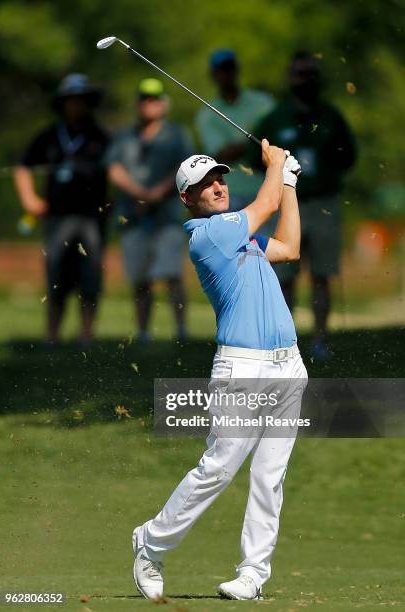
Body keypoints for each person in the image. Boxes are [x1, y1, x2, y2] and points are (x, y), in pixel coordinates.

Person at [132, 141, 308, 600]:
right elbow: (264, 203)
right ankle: (150, 543)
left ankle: (253, 573)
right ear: (187, 198)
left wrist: (287, 182)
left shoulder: (243, 236)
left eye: (219, 178)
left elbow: (289, 247)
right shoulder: (210, 235)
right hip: (242, 367)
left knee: (271, 476)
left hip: (288, 364)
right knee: (219, 467)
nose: (216, 186)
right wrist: (277, 169)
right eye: (203, 184)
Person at [249, 51, 356, 360]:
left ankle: (321, 340)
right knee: (284, 277)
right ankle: (285, 341)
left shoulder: (331, 116)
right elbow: (255, 159)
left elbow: (348, 158)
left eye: (310, 73)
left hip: (323, 203)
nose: (305, 79)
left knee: (322, 275)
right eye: (299, 73)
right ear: (290, 78)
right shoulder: (275, 118)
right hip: (286, 205)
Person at [14, 74, 109, 346]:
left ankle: (86, 335)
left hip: (91, 218)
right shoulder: (48, 137)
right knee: (56, 274)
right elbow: (23, 167)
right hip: (57, 218)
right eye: (72, 100)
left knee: (90, 275)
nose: (76, 105)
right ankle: (52, 336)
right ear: (63, 103)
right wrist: (30, 199)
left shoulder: (100, 137)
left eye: (81, 100)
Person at [107, 78, 194, 343]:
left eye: (155, 98)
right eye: (145, 98)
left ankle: (181, 331)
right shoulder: (124, 135)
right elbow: (114, 169)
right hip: (133, 216)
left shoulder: (177, 134)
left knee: (171, 274)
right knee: (140, 278)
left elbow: (184, 167)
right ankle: (144, 331)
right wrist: (140, 194)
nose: (149, 103)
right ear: (138, 103)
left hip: (167, 216)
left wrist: (156, 193)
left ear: (163, 103)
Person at [196, 49, 275, 212]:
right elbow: (224, 155)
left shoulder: (264, 102)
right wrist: (257, 139)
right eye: (221, 70)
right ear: (213, 75)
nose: (226, 74)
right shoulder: (206, 115)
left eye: (229, 68)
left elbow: (276, 137)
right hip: (232, 195)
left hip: (268, 189)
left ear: (237, 70)